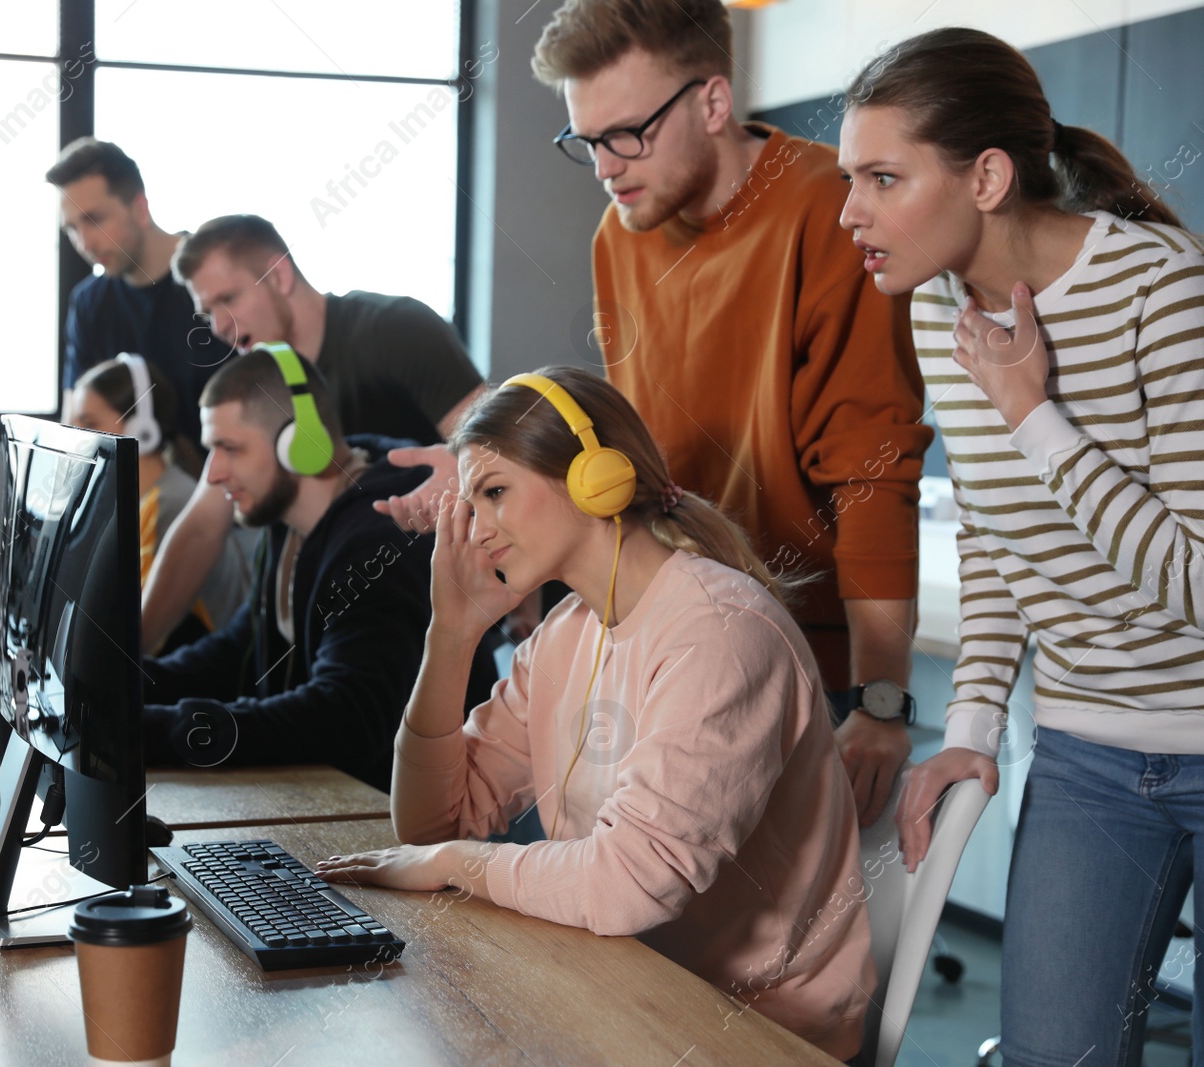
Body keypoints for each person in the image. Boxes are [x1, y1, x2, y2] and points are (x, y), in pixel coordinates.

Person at [318, 367, 872, 1058]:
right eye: (469, 502)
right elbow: (432, 820)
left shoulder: (720, 632)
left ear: (594, 476)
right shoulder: (568, 631)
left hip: (759, 1031)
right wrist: (451, 636)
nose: (476, 527)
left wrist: (455, 863)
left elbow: (628, 885)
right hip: (621, 983)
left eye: (494, 492)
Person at [837, 27, 1204, 1064]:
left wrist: (1031, 412)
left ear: (987, 176)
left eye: (880, 177)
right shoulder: (934, 312)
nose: (846, 212)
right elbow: (1004, 540)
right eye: (847, 178)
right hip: (1086, 754)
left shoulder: (1158, 288)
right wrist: (970, 725)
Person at [517, 0, 932, 828]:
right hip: (666, 636)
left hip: (797, 653)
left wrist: (883, 701)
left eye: (625, 134)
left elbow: (872, 471)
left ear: (711, 103)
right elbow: (632, 453)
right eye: (586, 142)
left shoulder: (828, 210)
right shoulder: (618, 234)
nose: (605, 165)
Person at [141, 344, 499, 793]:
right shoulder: (289, 525)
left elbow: (343, 720)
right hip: (331, 797)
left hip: (398, 824)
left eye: (229, 448)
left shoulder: (379, 541)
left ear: (300, 445)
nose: (212, 474)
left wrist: (154, 731)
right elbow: (240, 649)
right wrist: (123, 687)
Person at [140, 213, 485, 651]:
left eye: (228, 299)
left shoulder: (395, 330)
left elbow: (495, 445)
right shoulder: (255, 382)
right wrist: (128, 659)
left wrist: (462, 468)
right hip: (331, 611)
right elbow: (203, 526)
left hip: (425, 608)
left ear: (279, 274)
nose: (219, 326)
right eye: (207, 312)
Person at [0, 356, 255, 651]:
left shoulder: (171, 504)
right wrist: (20, 626)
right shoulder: (127, 506)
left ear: (141, 431)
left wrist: (20, 633)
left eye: (88, 423)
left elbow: (130, 641)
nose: (74, 439)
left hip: (192, 686)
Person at [47, 137, 233, 452]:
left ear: (140, 208)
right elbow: (74, 427)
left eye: (94, 220)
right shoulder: (89, 303)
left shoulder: (212, 281)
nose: (85, 243)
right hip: (134, 493)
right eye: (73, 229)